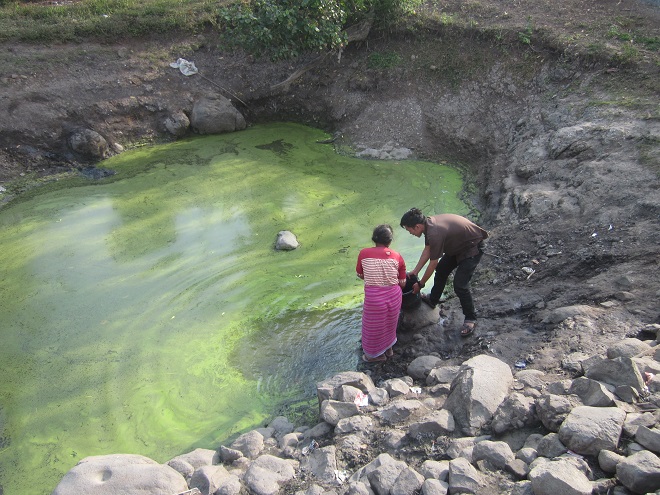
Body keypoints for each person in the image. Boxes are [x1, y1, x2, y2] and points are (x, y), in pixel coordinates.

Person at [400, 208, 488, 337]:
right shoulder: (428, 225)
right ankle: (433, 299)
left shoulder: (434, 233)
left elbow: (433, 262)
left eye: (409, 230)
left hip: (472, 248)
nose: (410, 233)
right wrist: (415, 271)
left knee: (460, 286)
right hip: (457, 248)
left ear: (417, 226)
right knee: (441, 270)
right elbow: (427, 250)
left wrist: (420, 284)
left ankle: (470, 318)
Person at [356, 224, 407, 362]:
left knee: (372, 326)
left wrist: (373, 277)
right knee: (390, 323)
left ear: (374, 239)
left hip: (374, 298)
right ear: (390, 241)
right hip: (394, 296)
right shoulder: (397, 256)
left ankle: (373, 356)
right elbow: (402, 281)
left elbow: (360, 273)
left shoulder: (363, 253)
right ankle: (389, 349)